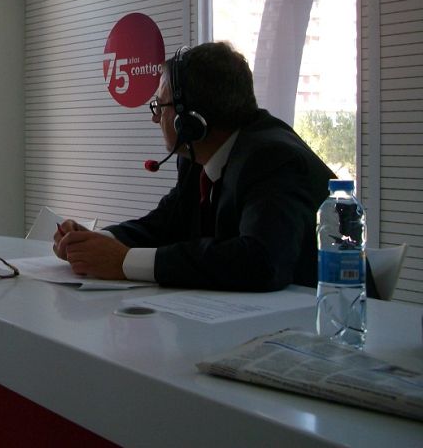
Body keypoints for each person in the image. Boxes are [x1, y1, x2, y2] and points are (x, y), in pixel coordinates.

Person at [53, 41, 336, 292]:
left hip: (317, 322)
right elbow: (165, 224)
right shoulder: (196, 154)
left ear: (189, 120)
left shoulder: (272, 158)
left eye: (160, 106)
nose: (155, 118)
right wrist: (92, 242)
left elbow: (261, 260)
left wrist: (125, 262)